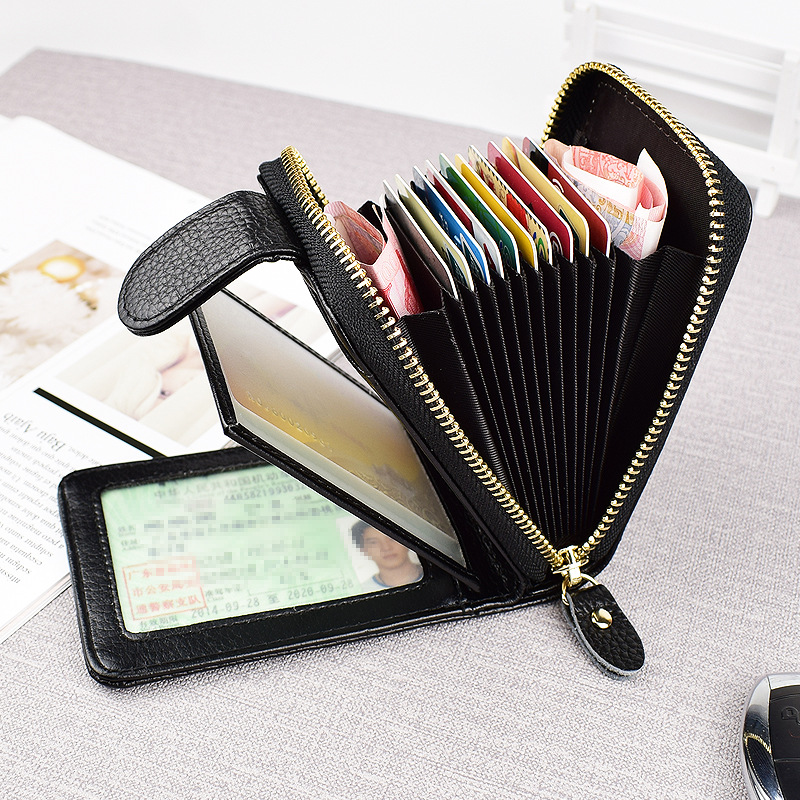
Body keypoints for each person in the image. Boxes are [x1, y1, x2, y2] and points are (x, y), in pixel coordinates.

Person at [351, 520, 423, 590]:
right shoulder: (364, 591)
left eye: (392, 538)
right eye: (374, 542)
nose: (386, 548)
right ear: (363, 550)